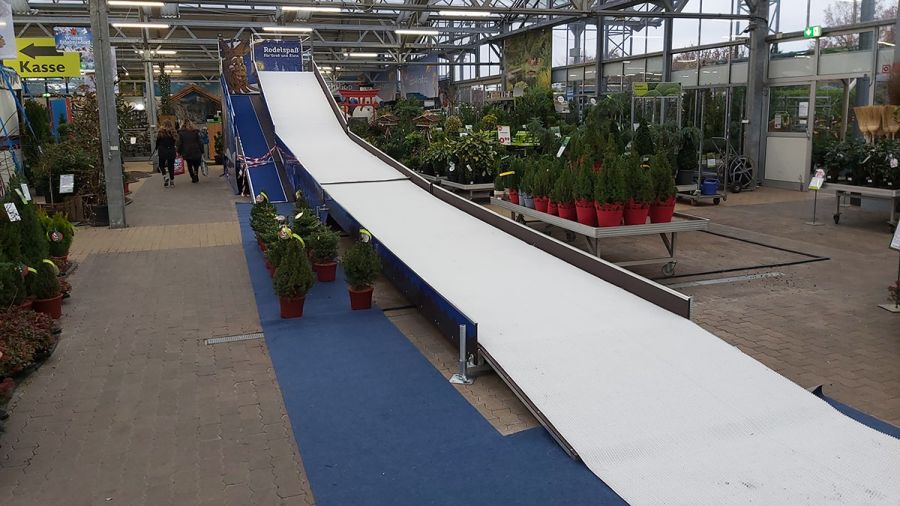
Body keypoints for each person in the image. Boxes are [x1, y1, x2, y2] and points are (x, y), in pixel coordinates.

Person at [156, 120, 177, 188]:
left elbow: (157, 141)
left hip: (162, 150)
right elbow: (175, 141)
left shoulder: (160, 132)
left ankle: (165, 176)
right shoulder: (173, 132)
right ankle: (172, 182)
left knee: (161, 165)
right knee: (171, 166)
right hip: (171, 150)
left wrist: (156, 148)